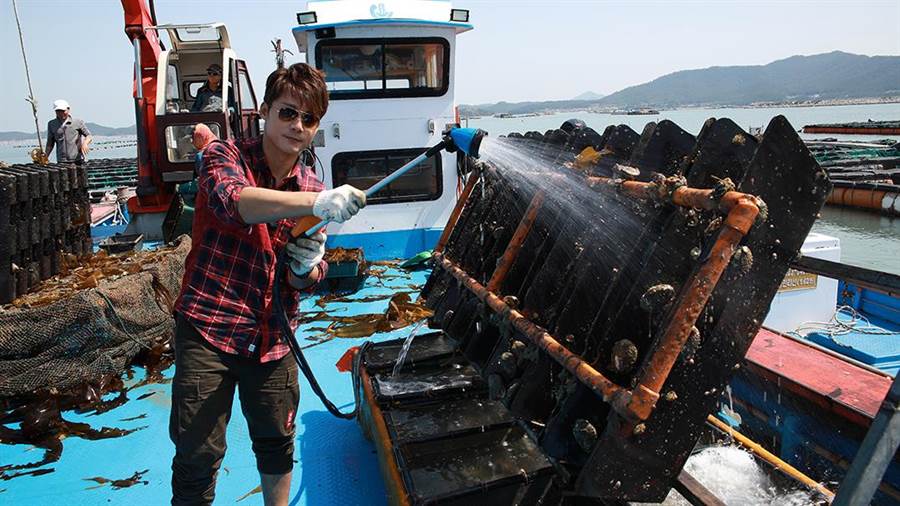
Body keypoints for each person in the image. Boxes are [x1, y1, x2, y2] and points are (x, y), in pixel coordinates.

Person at [170, 63, 366, 506]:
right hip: (209, 328)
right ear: (265, 110)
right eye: (288, 113)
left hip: (273, 339)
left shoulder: (313, 188)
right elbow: (234, 202)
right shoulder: (227, 157)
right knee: (197, 455)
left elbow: (305, 280)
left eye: (309, 119)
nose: (297, 126)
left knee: (277, 444)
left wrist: (306, 268)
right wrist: (314, 203)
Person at [45, 99, 92, 164]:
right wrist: (45, 156)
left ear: (68, 109)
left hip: (77, 160)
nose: (61, 113)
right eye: (58, 111)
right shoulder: (51, 124)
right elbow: (50, 143)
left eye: (63, 111)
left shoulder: (77, 122)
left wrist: (85, 143)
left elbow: (89, 136)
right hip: (61, 161)